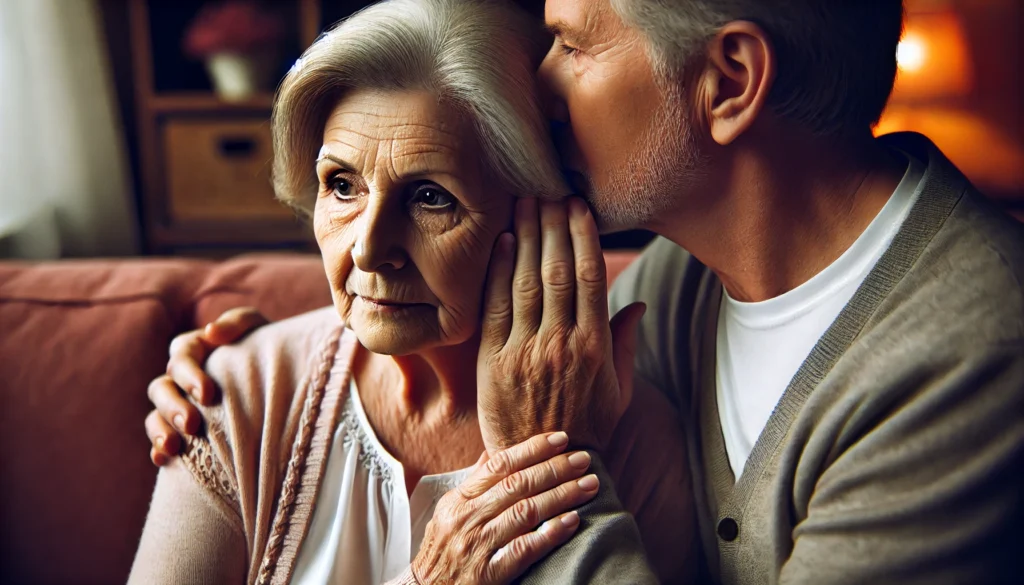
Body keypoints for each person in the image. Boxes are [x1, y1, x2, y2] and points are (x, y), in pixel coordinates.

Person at [149, 0, 1024, 583]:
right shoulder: (689, 278)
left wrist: (545, 458)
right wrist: (261, 361)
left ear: (727, 81)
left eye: (570, 45)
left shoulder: (967, 361)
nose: (542, 83)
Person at [128, 1, 695, 584]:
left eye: (431, 198)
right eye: (342, 185)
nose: (369, 250)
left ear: (545, 218)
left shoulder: (632, 439)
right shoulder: (241, 393)